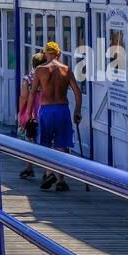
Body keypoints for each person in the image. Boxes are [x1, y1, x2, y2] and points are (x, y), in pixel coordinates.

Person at [33, 41, 82, 191]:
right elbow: (77, 93)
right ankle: (61, 180)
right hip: (62, 109)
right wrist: (77, 111)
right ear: (59, 54)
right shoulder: (66, 69)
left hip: (46, 109)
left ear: (46, 54)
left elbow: (33, 92)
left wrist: (29, 113)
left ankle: (49, 173)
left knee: (46, 144)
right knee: (61, 145)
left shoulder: (40, 70)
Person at [18, 52, 46, 179]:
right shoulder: (47, 77)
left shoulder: (28, 78)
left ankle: (29, 168)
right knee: (47, 142)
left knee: (29, 140)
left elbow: (24, 96)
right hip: (46, 110)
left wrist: (20, 112)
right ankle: (48, 171)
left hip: (32, 111)